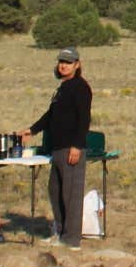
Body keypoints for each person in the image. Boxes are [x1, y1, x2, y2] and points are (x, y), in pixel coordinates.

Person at [16, 46, 94, 247]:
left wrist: (77, 146)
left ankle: (71, 240)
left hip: (71, 149)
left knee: (71, 195)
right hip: (57, 149)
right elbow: (50, 116)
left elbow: (84, 119)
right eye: (61, 62)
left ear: (77, 65)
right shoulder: (63, 88)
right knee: (55, 190)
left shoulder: (80, 88)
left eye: (68, 62)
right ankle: (59, 232)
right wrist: (31, 131)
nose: (63, 66)